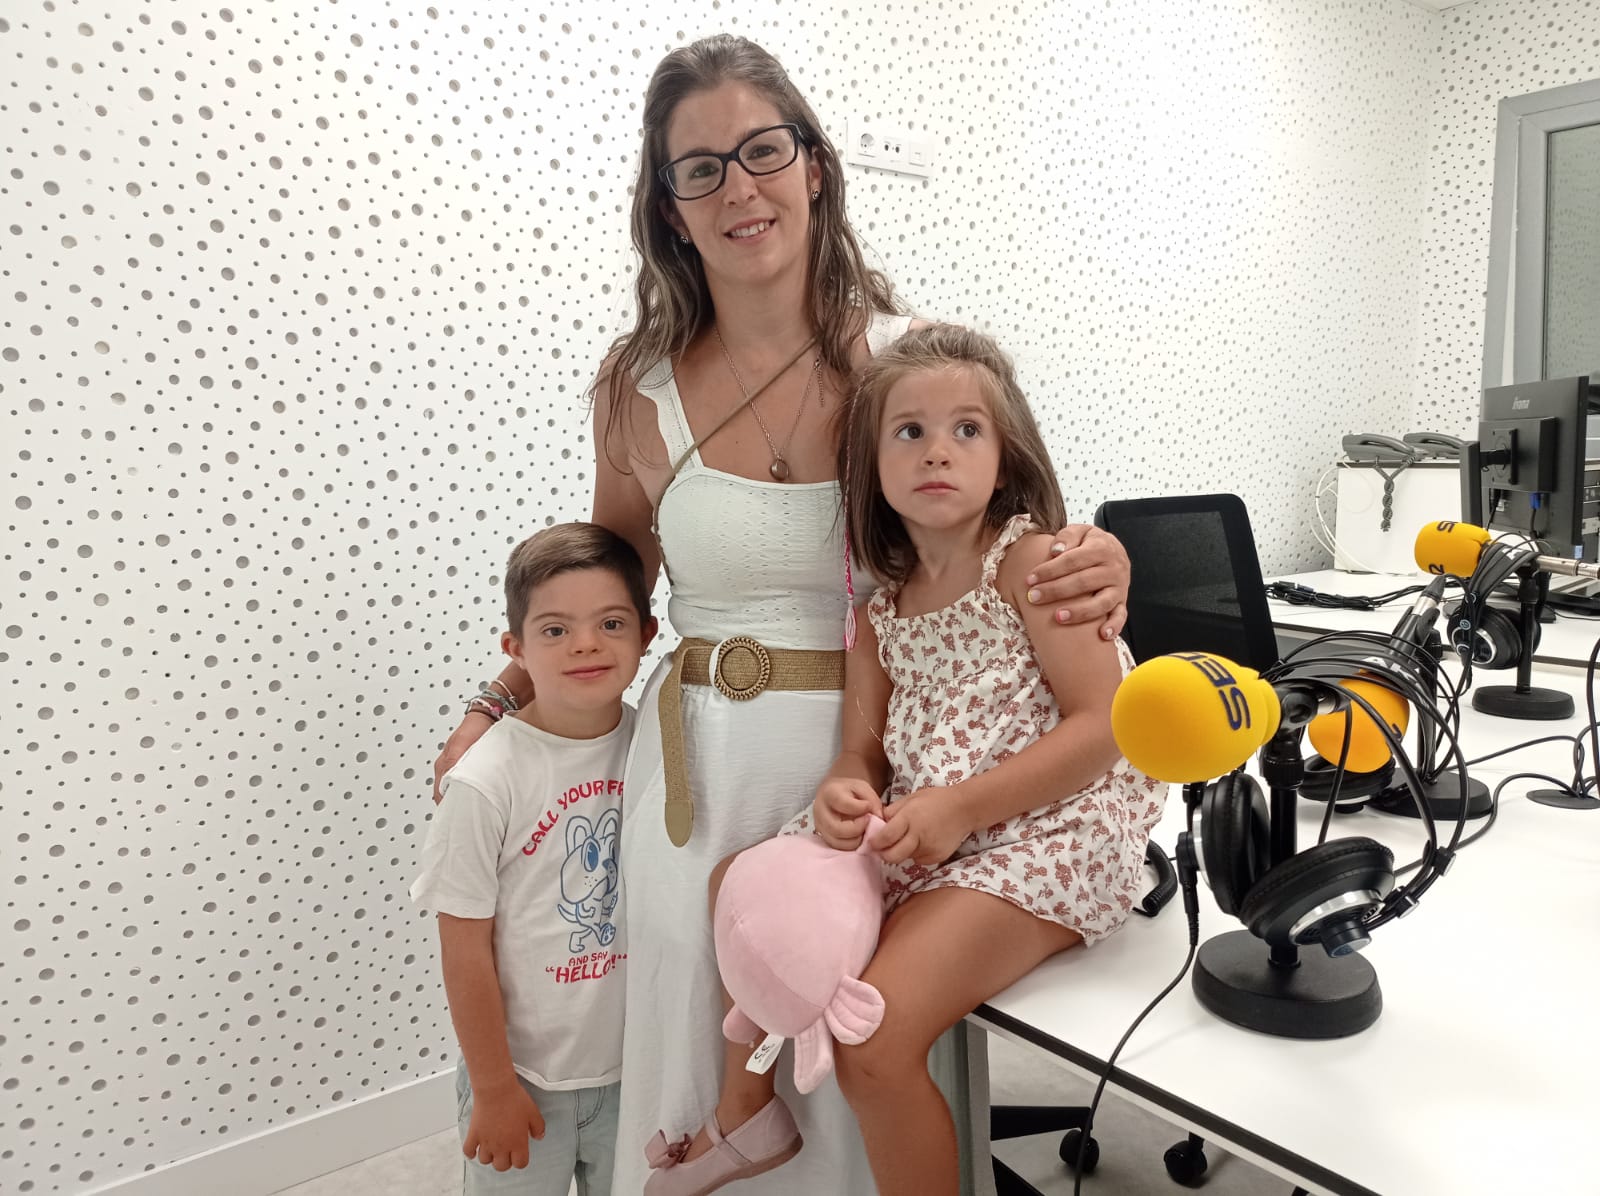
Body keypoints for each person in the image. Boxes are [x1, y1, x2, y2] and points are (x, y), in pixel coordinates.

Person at [431, 35, 1134, 1194]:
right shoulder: (633, 382)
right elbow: (606, 574)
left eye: (763, 149)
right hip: (693, 768)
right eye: (696, 167)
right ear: (667, 206)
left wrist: (1103, 558)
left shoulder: (912, 366)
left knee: (857, 1021)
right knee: (701, 1007)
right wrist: (501, 694)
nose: (736, 187)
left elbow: (1021, 541)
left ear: (814, 166)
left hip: (875, 768)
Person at [665, 324, 1163, 1196]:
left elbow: (1106, 728)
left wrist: (964, 808)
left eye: (967, 429)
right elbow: (859, 749)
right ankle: (748, 1116)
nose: (939, 450)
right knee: (739, 879)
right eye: (910, 431)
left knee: (873, 1039)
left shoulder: (1033, 566)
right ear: (874, 463)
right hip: (935, 827)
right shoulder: (880, 607)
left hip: (1052, 832)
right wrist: (842, 791)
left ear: (1006, 459)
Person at [412, 523, 657, 1196]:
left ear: (648, 632)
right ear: (515, 649)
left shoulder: (655, 748)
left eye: (610, 622)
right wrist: (492, 1089)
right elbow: (464, 947)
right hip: (520, 1080)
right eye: (554, 631)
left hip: (634, 1073)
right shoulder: (483, 780)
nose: (584, 644)